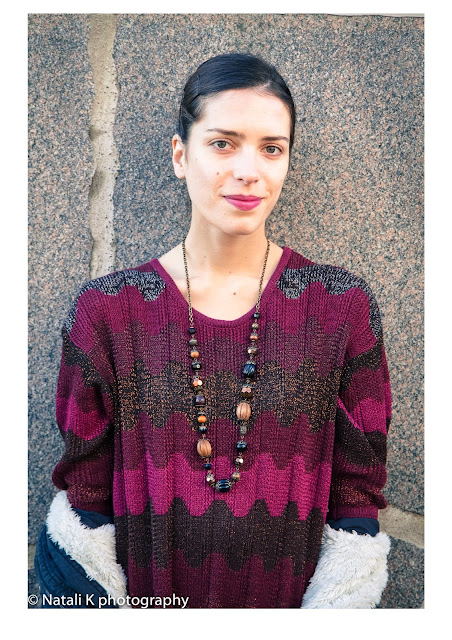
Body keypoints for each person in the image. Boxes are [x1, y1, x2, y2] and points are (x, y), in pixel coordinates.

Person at [35, 52, 392, 609]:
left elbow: (356, 501)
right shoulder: (106, 313)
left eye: (272, 148)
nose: (249, 170)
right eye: (223, 143)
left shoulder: (339, 308)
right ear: (181, 155)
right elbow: (86, 502)